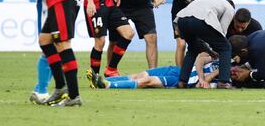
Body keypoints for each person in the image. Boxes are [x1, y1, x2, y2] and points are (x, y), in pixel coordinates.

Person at [161, 0, 220, 66]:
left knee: (199, 45)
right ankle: (179, 73)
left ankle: (194, 72)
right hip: (179, 14)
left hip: (198, 16)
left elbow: (217, 5)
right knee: (181, 44)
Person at [174, 0, 235, 89]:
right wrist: (218, 51)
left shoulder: (211, 0)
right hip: (200, 20)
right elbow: (222, 33)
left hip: (181, 20)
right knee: (226, 47)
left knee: (192, 49)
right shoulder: (230, 9)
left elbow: (204, 40)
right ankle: (223, 82)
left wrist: (210, 51)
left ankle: (182, 82)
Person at [87, 52, 220, 89]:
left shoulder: (221, 79)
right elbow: (200, 58)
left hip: (180, 80)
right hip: (177, 70)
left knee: (147, 81)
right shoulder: (220, 61)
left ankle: (108, 85)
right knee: (140, 75)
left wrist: (214, 73)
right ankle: (100, 80)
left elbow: (198, 86)